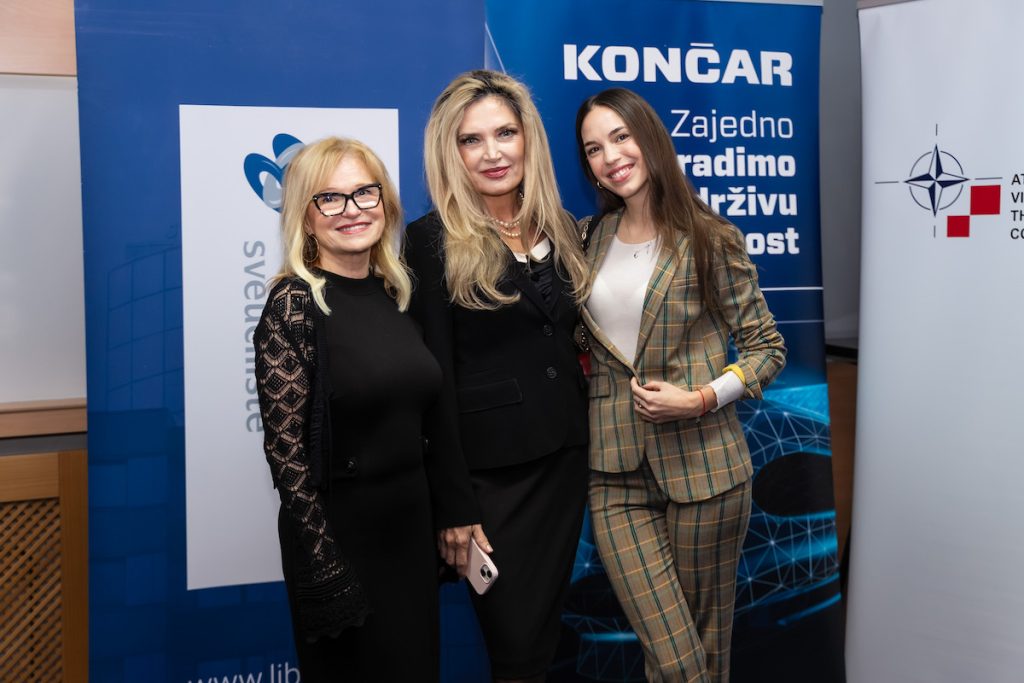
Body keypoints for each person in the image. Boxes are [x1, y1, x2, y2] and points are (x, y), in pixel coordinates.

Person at [575, 88, 787, 683]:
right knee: (676, 658)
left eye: (621, 137)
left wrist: (701, 398)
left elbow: (767, 349)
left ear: (650, 137)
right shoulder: (589, 237)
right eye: (593, 148)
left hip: (706, 471)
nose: (610, 156)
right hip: (614, 474)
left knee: (706, 650)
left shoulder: (709, 237)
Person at [404, 70, 590, 683]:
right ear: (450, 152)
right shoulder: (430, 241)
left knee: (541, 643)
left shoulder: (562, 227)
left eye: (505, 133)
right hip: (491, 486)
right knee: (515, 648)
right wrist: (454, 507)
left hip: (565, 462)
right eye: (471, 139)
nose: (492, 152)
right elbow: (431, 387)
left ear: (528, 137)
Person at [254, 137, 447, 681]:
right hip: (341, 540)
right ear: (305, 216)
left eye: (365, 192)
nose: (353, 209)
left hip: (410, 530)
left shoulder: (396, 293)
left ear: (384, 202)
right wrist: (325, 562)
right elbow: (286, 453)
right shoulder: (293, 305)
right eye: (330, 198)